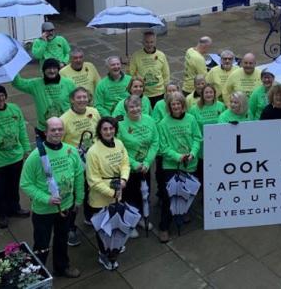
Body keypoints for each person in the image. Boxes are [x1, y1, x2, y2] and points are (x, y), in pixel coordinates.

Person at [20, 117, 83, 279]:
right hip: (44, 211)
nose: (57, 132)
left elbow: (78, 176)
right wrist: (46, 198)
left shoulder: (71, 151)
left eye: (60, 129)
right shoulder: (36, 156)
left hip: (66, 207)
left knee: (62, 239)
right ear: (46, 132)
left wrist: (78, 199)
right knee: (42, 244)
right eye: (53, 130)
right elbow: (25, 184)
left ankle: (62, 267)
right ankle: (36, 273)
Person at [0, 85, 30, 229]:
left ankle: (15, 208)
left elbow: (22, 129)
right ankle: (2, 215)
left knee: (13, 187)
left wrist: (26, 148)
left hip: (15, 158)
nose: (0, 98)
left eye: (2, 95)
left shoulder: (14, 108)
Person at [85, 117, 130, 270]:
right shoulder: (93, 152)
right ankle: (104, 254)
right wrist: (112, 193)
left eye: (111, 128)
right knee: (103, 228)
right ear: (99, 131)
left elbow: (125, 163)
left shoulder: (119, 143)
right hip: (101, 197)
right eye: (105, 129)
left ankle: (114, 246)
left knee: (115, 223)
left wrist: (123, 179)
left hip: (117, 190)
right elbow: (93, 180)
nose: (109, 131)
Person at [157, 92, 202, 243]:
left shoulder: (191, 119)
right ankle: (164, 227)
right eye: (173, 104)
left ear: (183, 105)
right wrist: (178, 157)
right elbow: (162, 147)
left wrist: (193, 153)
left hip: (190, 163)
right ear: (169, 106)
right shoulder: (163, 123)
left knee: (187, 192)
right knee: (169, 197)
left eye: (179, 104)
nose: (176, 106)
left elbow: (197, 137)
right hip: (171, 165)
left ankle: (181, 213)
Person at [60, 87, 101, 246]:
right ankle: (70, 228)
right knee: (76, 194)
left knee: (92, 188)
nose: (82, 100)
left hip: (93, 159)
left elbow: (98, 132)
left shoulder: (94, 111)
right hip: (75, 163)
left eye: (85, 97)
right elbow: (61, 142)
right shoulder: (64, 119)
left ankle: (89, 216)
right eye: (79, 97)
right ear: (72, 100)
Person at [119, 95, 159, 238]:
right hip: (128, 167)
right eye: (131, 107)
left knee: (144, 193)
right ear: (126, 109)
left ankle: (142, 217)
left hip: (145, 166)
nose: (135, 109)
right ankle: (130, 223)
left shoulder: (149, 120)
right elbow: (119, 148)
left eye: (137, 106)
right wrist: (134, 164)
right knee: (129, 195)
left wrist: (147, 162)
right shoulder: (120, 123)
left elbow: (155, 142)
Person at [13, 58, 76, 148]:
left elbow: (76, 102)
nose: (52, 71)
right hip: (44, 130)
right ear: (43, 70)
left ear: (58, 69)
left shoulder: (68, 83)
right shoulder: (35, 84)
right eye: (48, 68)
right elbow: (18, 83)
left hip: (66, 128)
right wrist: (13, 68)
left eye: (54, 68)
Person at [129, 31, 170, 107]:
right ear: (143, 42)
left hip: (159, 92)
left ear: (155, 42)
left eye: (152, 42)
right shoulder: (136, 56)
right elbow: (131, 74)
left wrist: (166, 90)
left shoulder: (161, 55)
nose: (149, 45)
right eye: (147, 42)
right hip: (143, 93)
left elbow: (166, 74)